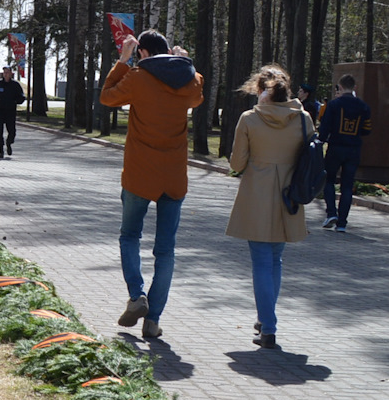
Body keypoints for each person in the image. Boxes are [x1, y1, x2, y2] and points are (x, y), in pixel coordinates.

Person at [100, 28, 206, 339]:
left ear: (143, 53)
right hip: (173, 177)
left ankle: (137, 295)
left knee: (129, 236)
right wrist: (184, 63)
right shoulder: (189, 81)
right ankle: (153, 320)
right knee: (166, 250)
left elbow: (107, 96)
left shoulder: (138, 76)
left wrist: (122, 60)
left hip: (139, 174)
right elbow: (197, 93)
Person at [226, 64, 310, 349]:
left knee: (262, 261)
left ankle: (268, 326)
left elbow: (237, 164)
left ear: (260, 91)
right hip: (290, 197)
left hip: (257, 196)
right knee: (275, 260)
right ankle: (266, 320)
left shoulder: (249, 119)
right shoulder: (303, 119)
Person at [317, 73, 373, 231]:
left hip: (335, 147)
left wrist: (321, 140)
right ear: (354, 87)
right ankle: (342, 223)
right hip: (354, 149)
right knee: (347, 186)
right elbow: (367, 130)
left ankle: (331, 213)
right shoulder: (363, 107)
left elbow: (325, 127)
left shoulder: (334, 105)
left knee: (329, 180)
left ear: (340, 87)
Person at [0, 73, 26, 157]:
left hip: (11, 111)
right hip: (0, 111)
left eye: (7, 72)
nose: (6, 74)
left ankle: (9, 143)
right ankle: (1, 151)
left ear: (10, 74)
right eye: (4, 72)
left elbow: (21, 96)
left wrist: (16, 101)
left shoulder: (15, 85)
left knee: (12, 131)